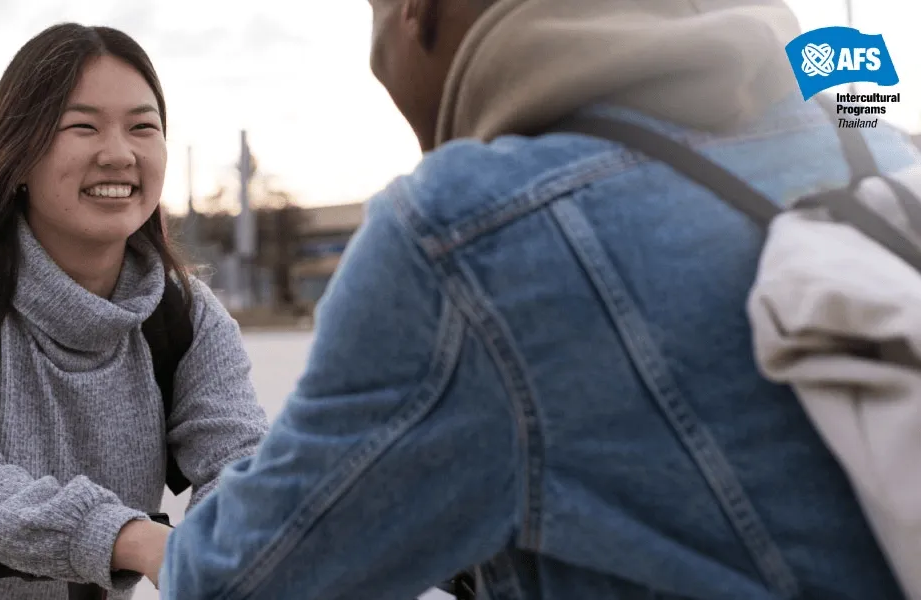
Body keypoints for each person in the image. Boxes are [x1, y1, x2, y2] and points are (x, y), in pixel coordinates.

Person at [159, 1, 918, 598]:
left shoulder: (465, 239)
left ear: (416, 12)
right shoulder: (882, 148)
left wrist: (146, 527)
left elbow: (233, 581)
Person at [0, 23, 269, 599]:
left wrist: (232, 538)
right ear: (16, 156)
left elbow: (240, 461)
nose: (119, 153)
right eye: (82, 126)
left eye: (143, 127)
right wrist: (131, 538)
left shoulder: (188, 314)